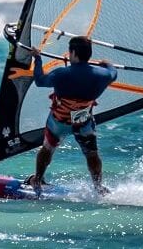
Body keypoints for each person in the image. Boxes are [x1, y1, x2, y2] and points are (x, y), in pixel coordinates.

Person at [25, 35, 117, 195]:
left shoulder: (62, 73)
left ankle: (37, 180)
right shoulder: (103, 75)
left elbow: (39, 80)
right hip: (83, 122)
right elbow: (113, 72)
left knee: (47, 148)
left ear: (73, 53)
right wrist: (107, 64)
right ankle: (98, 187)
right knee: (92, 153)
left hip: (59, 122)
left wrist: (37, 58)